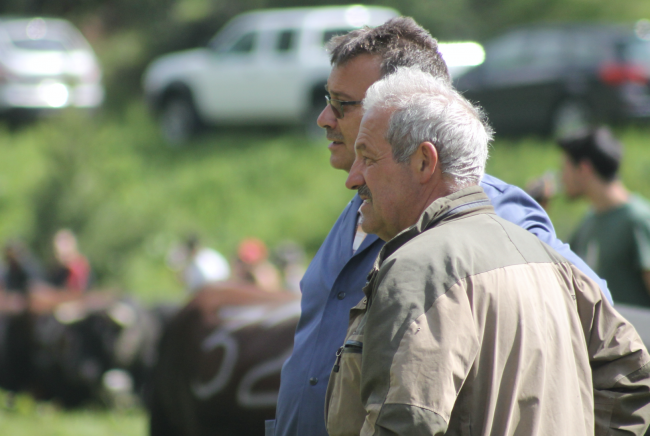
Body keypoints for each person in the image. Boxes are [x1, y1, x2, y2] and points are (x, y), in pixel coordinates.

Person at [271, 17, 614, 436]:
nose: (325, 117)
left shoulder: (487, 209)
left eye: (344, 104)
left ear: (407, 102)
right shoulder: (365, 199)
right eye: (328, 99)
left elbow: (593, 315)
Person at [326, 66, 650, 435]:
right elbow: (631, 381)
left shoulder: (419, 267)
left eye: (367, 158)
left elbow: (406, 422)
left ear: (423, 162)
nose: (353, 178)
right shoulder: (558, 266)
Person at [560, 126, 650, 307]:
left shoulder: (637, 220)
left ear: (584, 169)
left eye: (565, 168)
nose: (561, 178)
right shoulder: (589, 221)